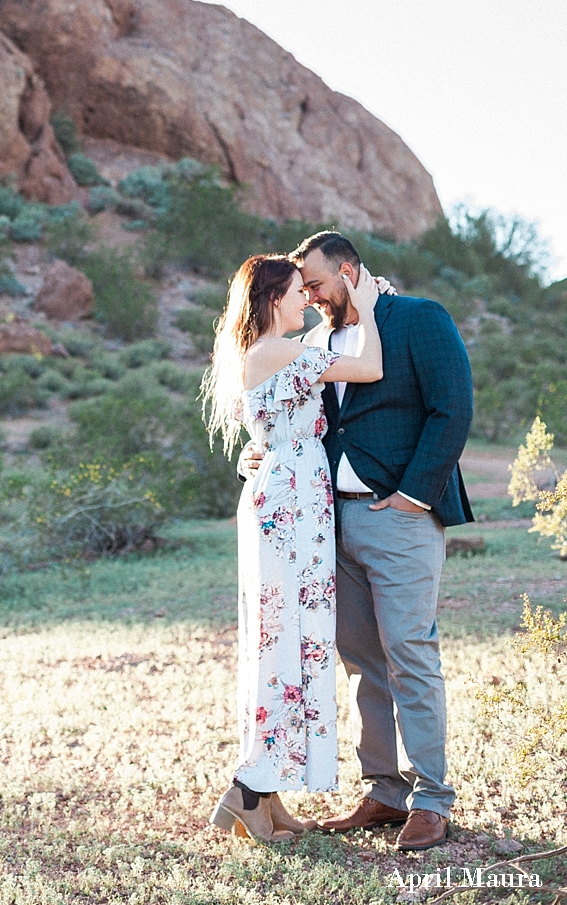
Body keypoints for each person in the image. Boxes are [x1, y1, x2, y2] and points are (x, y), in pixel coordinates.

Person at [240, 231, 474, 854]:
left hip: (397, 513)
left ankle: (430, 799)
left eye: (315, 284)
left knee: (410, 653)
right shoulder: (312, 344)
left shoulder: (417, 318)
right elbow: (293, 419)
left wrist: (415, 495)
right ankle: (384, 791)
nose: (310, 297)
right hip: (323, 525)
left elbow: (452, 408)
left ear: (348, 271)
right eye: (302, 290)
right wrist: (257, 454)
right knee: (360, 660)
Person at [202, 253, 385, 842]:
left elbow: (268, 428)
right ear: (270, 299)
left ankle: (267, 798)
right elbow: (369, 367)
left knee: (285, 637)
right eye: (295, 291)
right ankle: (249, 790)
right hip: (290, 502)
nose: (305, 298)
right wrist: (371, 307)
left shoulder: (271, 350)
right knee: (280, 638)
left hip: (293, 495)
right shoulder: (276, 349)